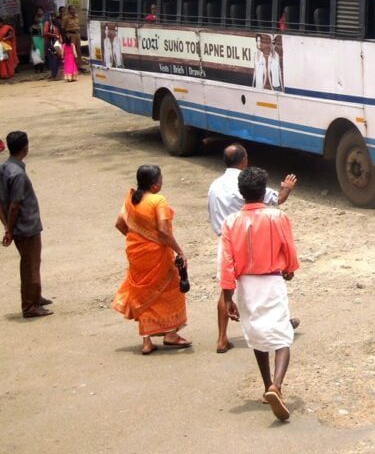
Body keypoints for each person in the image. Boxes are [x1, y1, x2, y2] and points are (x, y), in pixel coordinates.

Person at [220, 167, 301, 421]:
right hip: (272, 281)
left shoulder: (231, 222)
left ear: (241, 192)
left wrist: (227, 298)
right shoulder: (277, 217)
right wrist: (290, 268)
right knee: (282, 335)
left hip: (246, 284)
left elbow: (226, 263)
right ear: (264, 190)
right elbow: (289, 247)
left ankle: (267, 386)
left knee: (256, 335)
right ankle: (276, 385)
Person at [208, 143, 297, 354]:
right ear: (244, 160)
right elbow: (277, 199)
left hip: (225, 238)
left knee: (226, 288)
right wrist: (287, 187)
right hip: (248, 237)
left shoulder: (214, 185)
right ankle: (274, 328)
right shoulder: (247, 181)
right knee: (262, 283)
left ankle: (222, 337)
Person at [113, 165, 191, 354]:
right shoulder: (158, 200)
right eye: (161, 179)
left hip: (136, 253)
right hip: (157, 255)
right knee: (171, 290)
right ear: (155, 185)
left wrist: (138, 238)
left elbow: (119, 224)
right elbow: (164, 231)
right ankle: (171, 334)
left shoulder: (131, 198)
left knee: (142, 294)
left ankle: (146, 341)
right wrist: (179, 251)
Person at [1, 131, 52, 318]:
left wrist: (7, 227)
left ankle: (35, 296)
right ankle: (30, 306)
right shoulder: (18, 174)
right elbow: (14, 205)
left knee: (33, 263)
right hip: (26, 227)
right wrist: (9, 229)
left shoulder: (5, 168)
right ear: (25, 148)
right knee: (30, 265)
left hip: (19, 227)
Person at [43, 12, 62, 80]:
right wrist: (54, 35)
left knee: (56, 58)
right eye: (52, 16)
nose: (54, 17)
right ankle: (54, 75)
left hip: (56, 42)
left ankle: (55, 74)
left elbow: (59, 32)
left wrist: (59, 38)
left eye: (54, 16)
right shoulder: (47, 23)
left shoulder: (56, 24)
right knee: (53, 58)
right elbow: (45, 33)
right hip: (50, 42)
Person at [29, 8, 46, 73]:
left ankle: (42, 69)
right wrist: (33, 43)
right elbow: (31, 36)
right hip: (35, 40)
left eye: (38, 18)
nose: (37, 19)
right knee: (35, 54)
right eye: (36, 18)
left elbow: (44, 33)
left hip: (41, 40)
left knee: (41, 54)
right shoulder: (31, 27)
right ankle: (36, 69)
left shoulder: (41, 25)